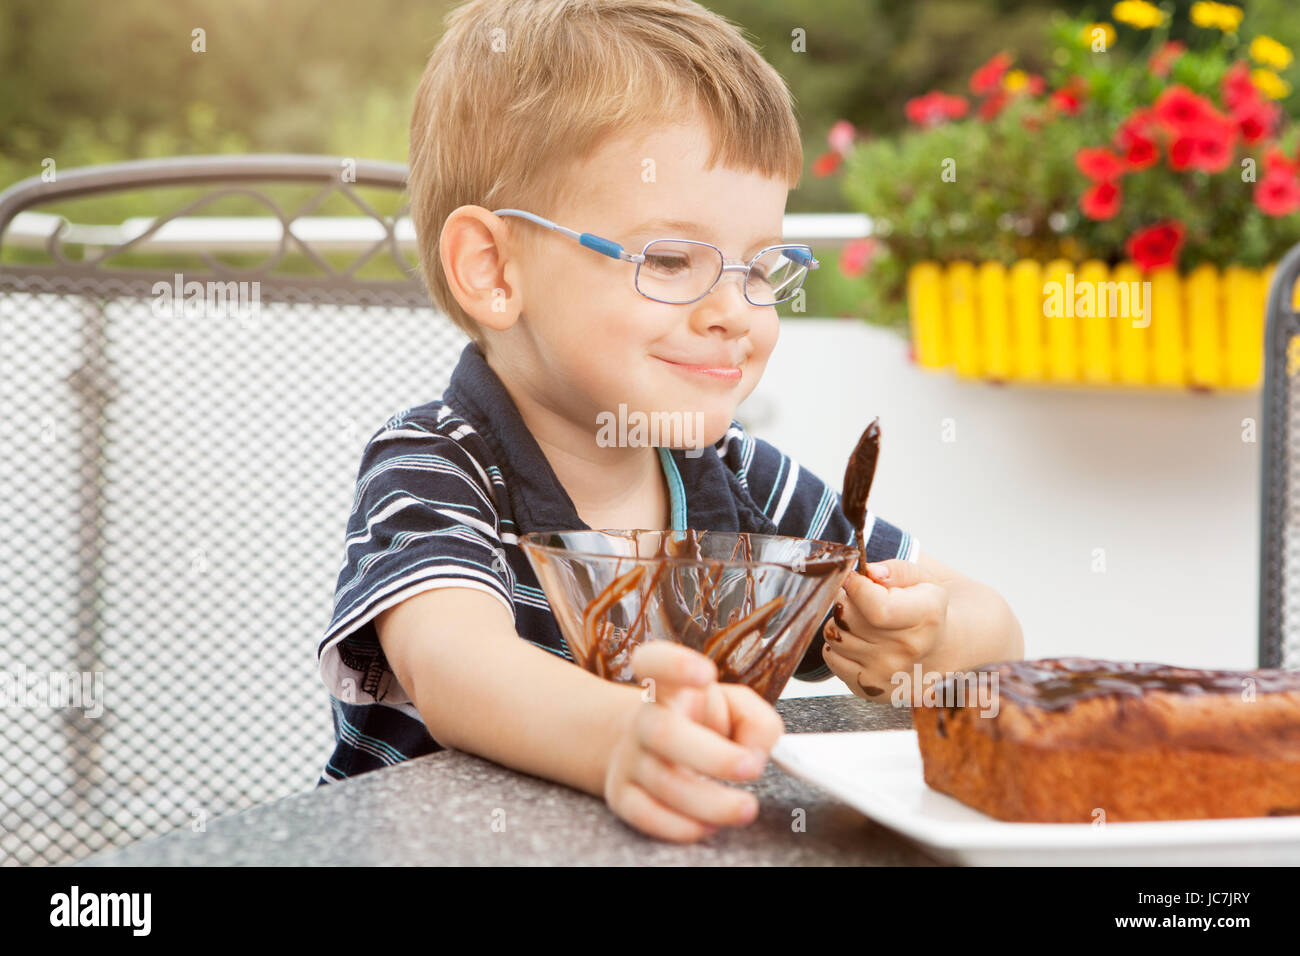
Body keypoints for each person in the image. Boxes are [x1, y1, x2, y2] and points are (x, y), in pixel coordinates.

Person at [316, 0, 1024, 843]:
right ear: (494, 268)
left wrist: (928, 636)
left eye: (760, 267)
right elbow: (457, 668)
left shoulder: (739, 479)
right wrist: (620, 739)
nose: (736, 310)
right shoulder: (435, 465)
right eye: (670, 258)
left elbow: (996, 629)